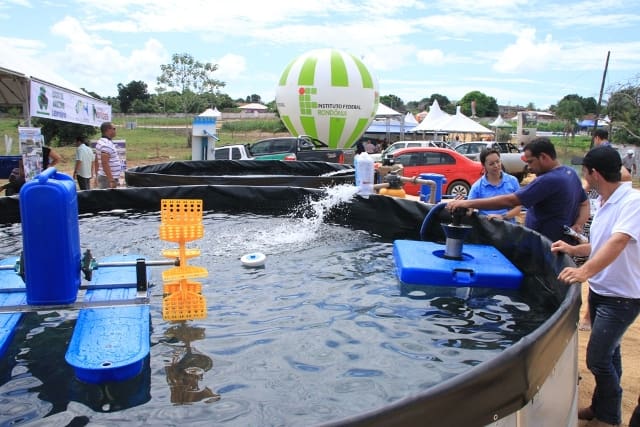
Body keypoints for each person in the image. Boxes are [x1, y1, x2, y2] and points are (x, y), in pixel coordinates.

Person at [550, 145, 640, 427]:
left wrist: (584, 272)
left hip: (622, 297)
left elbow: (619, 241)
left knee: (597, 359)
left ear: (594, 173)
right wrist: (574, 250)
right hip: (603, 292)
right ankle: (601, 408)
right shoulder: (605, 200)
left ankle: (610, 416)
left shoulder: (632, 202)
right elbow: (602, 244)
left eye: (585, 172)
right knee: (609, 354)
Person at [447, 137, 590, 243]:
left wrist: (466, 203)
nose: (529, 167)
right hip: (561, 243)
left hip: (547, 247)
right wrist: (578, 224)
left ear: (544, 157)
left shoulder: (547, 180)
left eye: (530, 162)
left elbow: (512, 200)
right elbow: (585, 203)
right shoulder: (570, 173)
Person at [466, 148, 521, 222]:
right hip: (487, 229)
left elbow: (518, 207)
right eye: (491, 164)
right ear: (483, 165)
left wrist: (503, 217)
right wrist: (462, 207)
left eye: (498, 162)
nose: (496, 165)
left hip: (508, 229)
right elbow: (469, 209)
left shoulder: (512, 181)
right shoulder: (477, 186)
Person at [95, 122, 122, 189]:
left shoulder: (103, 142)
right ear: (108, 130)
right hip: (107, 179)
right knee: (108, 199)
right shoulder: (106, 144)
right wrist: (111, 180)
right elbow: (105, 163)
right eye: (114, 128)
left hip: (106, 177)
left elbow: (96, 159)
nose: (115, 130)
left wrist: (97, 174)